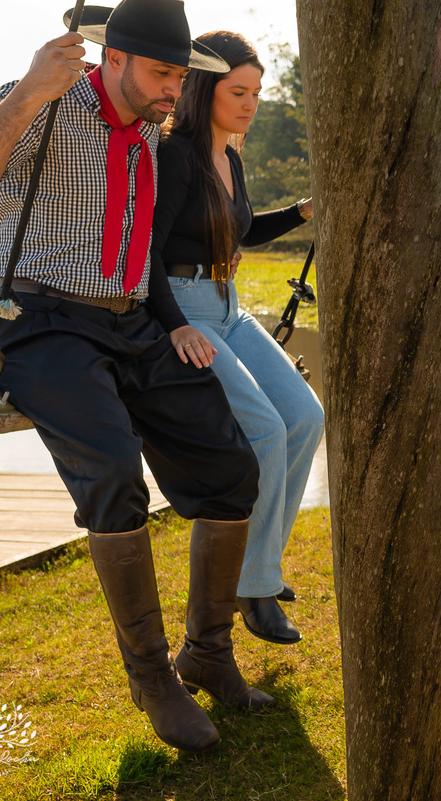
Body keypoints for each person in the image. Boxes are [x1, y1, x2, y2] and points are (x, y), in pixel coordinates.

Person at [0, 0, 272, 754]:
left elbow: (139, 244)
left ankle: (208, 653)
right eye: (161, 73)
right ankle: (153, 676)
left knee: (231, 465)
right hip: (43, 322)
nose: (171, 91)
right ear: (111, 58)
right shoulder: (38, 104)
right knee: (117, 475)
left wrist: (174, 316)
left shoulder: (152, 134)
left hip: (132, 323)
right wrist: (28, 93)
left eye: (181, 76)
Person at [150, 30, 325, 645]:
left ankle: (264, 568)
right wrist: (175, 326)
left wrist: (303, 212)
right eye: (238, 91)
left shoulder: (232, 155)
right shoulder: (176, 155)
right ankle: (253, 589)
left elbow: (240, 233)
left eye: (256, 92)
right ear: (205, 89)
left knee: (306, 416)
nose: (250, 103)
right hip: (189, 310)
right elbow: (144, 253)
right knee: (265, 431)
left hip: (230, 305)